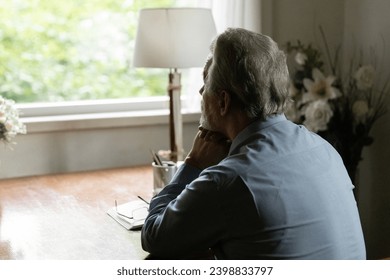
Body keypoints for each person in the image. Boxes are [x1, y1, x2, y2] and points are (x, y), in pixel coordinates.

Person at [141, 28, 366, 259]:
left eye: (205, 85)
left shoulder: (226, 181)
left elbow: (155, 237)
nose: (200, 92)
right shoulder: (324, 150)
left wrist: (194, 163)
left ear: (223, 101)